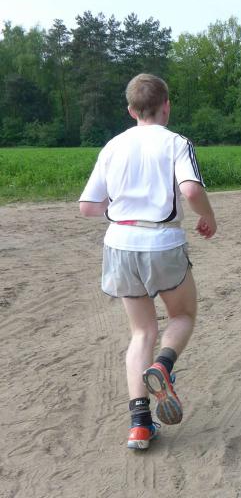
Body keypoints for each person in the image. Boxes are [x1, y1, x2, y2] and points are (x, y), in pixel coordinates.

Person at [78, 73, 217, 451]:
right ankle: (162, 366)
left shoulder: (112, 146)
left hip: (119, 244)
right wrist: (209, 216)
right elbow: (190, 189)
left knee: (141, 332)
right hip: (162, 243)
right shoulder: (176, 143)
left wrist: (124, 207)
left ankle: (139, 426)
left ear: (131, 110)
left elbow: (88, 206)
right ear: (166, 105)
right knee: (182, 316)